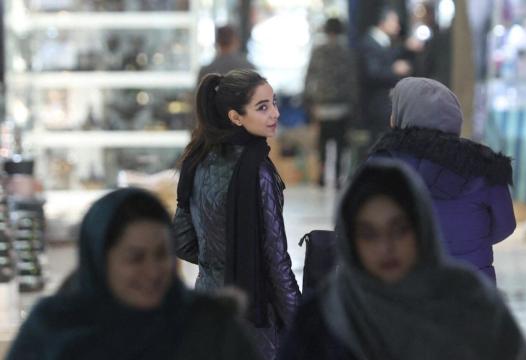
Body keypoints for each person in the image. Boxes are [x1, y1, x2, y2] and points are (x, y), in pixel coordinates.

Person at [278, 160, 526, 360]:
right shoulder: (322, 317)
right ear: (350, 241)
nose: (386, 247)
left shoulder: (471, 301)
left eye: (399, 229)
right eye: (369, 235)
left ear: (421, 228)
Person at [6, 188, 258, 360]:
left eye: (161, 254)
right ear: (101, 261)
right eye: (135, 258)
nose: (152, 271)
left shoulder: (211, 327)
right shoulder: (52, 331)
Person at [173, 69, 301, 360]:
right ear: (235, 117)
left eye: (274, 103)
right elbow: (276, 261)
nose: (275, 114)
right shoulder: (258, 169)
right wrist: (302, 323)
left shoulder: (197, 159)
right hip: (253, 314)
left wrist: (218, 261)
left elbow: (180, 239)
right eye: (263, 107)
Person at [369, 77, 516, 284]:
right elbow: (505, 225)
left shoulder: (383, 163)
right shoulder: (486, 166)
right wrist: (468, 243)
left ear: (402, 115)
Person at [303, 17, 358, 187]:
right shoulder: (346, 51)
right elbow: (352, 81)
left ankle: (321, 177)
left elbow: (309, 78)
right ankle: (337, 178)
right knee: (341, 144)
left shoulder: (318, 51)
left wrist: (308, 102)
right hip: (342, 106)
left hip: (321, 106)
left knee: (322, 144)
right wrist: (354, 105)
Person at [358, 7, 412, 144]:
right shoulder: (370, 43)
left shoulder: (381, 42)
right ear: (383, 22)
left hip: (381, 104)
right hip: (376, 105)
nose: (398, 27)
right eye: (394, 22)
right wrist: (395, 70)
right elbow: (373, 72)